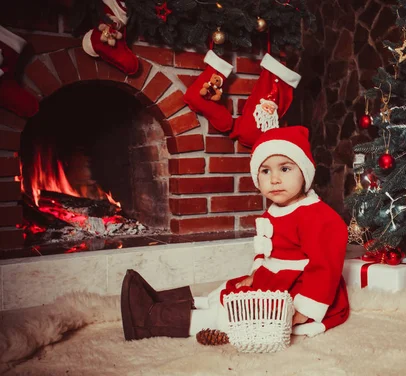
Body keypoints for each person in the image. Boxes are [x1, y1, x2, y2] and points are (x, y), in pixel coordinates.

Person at [120, 125, 350, 341]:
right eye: (266, 171)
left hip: (302, 289)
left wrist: (303, 310)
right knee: (226, 291)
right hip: (277, 280)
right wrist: (256, 274)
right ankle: (162, 300)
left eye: (285, 168)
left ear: (305, 173)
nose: (275, 179)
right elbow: (267, 251)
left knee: (235, 315)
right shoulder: (276, 209)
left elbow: (325, 269)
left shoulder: (317, 216)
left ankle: (152, 320)